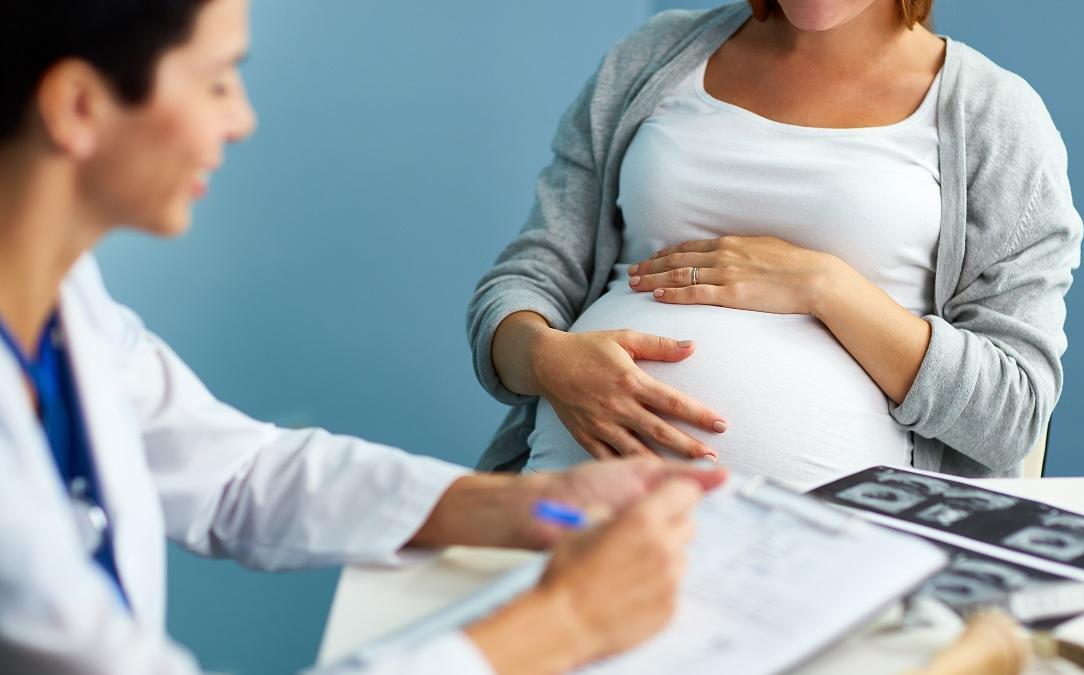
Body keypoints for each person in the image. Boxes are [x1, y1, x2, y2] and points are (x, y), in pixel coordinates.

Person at [0, 1, 728, 673]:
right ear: (79, 106)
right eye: (218, 80)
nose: (242, 119)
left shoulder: (66, 311)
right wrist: (566, 619)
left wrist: (534, 503)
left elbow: (237, 475)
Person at [469, 0, 1083, 482]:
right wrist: (546, 359)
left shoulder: (998, 117)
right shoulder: (650, 60)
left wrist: (827, 288)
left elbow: (1012, 413)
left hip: (835, 567)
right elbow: (529, 278)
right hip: (567, 526)